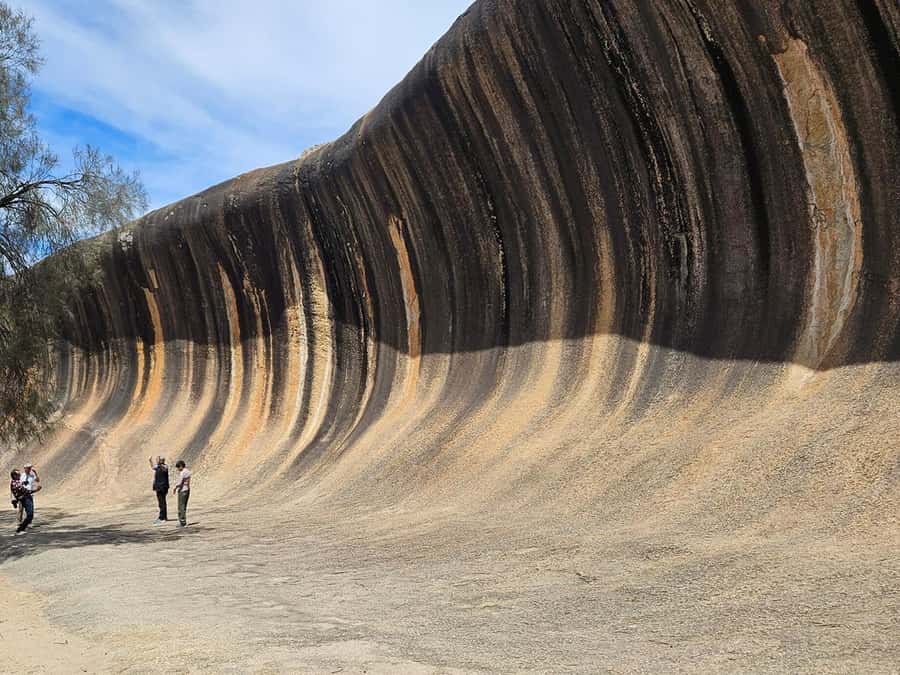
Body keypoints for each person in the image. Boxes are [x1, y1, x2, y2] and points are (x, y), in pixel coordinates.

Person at [149, 456, 169, 524]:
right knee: (161, 503)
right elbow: (153, 467)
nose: (157, 461)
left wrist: (160, 464)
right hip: (158, 487)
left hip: (162, 487)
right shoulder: (158, 466)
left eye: (158, 460)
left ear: (161, 460)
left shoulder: (165, 466)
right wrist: (150, 461)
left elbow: (165, 469)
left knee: (162, 503)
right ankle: (164, 517)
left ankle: (161, 518)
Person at [172, 460, 191, 528]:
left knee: (181, 507)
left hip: (182, 490)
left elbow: (180, 483)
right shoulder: (188, 471)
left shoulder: (182, 473)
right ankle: (183, 522)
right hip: (187, 489)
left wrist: (175, 487)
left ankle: (183, 522)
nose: (178, 469)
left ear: (181, 466)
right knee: (184, 506)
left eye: (178, 467)